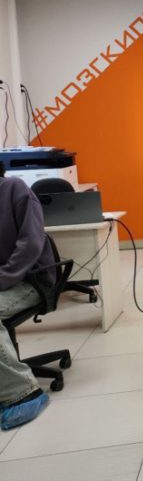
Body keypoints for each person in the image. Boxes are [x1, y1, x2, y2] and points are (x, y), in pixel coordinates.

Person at [0, 161, 53, 430]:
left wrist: (2, 278)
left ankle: (24, 391)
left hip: (31, 281)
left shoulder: (14, 189)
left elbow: (31, 244)